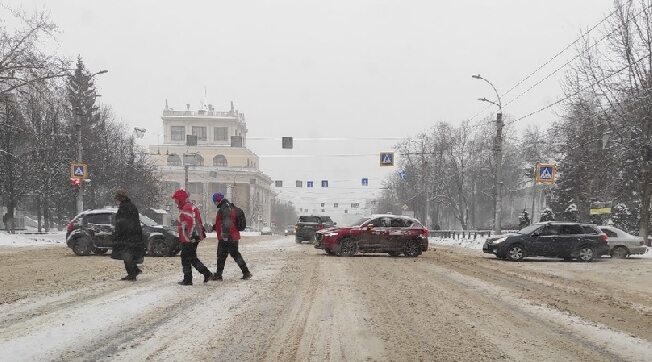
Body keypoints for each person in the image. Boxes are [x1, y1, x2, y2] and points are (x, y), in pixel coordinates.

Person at [172, 189, 212, 285]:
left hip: (190, 237)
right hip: (192, 236)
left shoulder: (187, 207)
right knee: (191, 257)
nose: (175, 201)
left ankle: (188, 279)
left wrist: (189, 237)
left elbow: (191, 223)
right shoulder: (187, 206)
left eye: (176, 199)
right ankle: (206, 273)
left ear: (180, 198)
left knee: (186, 258)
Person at [211, 192, 251, 281]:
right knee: (233, 254)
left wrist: (225, 235)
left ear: (218, 200)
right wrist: (215, 227)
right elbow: (223, 221)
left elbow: (227, 221)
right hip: (232, 235)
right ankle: (246, 272)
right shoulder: (228, 206)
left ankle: (219, 275)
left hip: (227, 236)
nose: (214, 203)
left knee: (222, 255)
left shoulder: (224, 207)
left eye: (214, 201)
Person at [111, 189, 146, 281]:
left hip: (127, 236)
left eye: (117, 198)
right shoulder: (131, 206)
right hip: (133, 236)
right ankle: (134, 271)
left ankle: (132, 273)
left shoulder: (124, 207)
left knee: (127, 256)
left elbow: (122, 223)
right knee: (130, 255)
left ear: (120, 198)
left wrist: (118, 233)